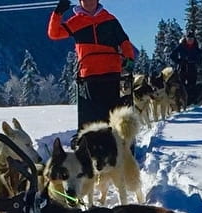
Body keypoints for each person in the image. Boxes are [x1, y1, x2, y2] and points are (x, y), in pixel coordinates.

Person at [47, 0, 138, 128]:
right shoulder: (75, 22)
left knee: (112, 109)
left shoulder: (109, 19)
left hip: (111, 71)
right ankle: (101, 140)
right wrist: (58, 13)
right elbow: (54, 33)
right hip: (90, 73)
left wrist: (129, 58)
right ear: (80, 2)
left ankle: (113, 139)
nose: (89, 2)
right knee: (95, 111)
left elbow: (124, 41)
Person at [171, 34, 202, 105]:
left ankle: (191, 102)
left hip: (192, 68)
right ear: (186, 39)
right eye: (189, 39)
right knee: (181, 85)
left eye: (192, 39)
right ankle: (179, 102)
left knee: (192, 85)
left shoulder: (195, 47)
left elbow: (199, 57)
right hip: (183, 67)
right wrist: (179, 61)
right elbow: (172, 55)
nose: (190, 41)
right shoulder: (181, 46)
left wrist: (196, 61)